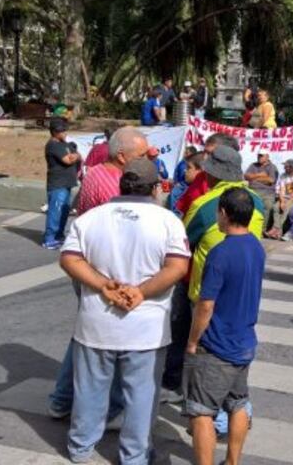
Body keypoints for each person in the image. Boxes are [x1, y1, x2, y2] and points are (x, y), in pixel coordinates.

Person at [59, 158, 190, 465]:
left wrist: (105, 286)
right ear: (156, 188)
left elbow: (69, 259)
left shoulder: (91, 218)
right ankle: (134, 456)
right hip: (146, 328)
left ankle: (80, 447)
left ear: (121, 184)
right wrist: (140, 291)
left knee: (90, 388)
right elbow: (178, 267)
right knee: (142, 396)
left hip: (96, 323)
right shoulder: (167, 221)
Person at [174, 146, 264, 423]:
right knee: (238, 390)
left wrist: (191, 341)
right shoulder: (256, 202)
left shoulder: (205, 206)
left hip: (206, 293)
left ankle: (211, 421)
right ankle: (234, 421)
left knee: (208, 366)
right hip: (245, 295)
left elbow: (182, 243)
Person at [184, 187, 265, 465]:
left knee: (201, 411)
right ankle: (232, 461)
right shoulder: (256, 246)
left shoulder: (220, 253)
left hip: (217, 344)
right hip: (244, 340)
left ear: (224, 213)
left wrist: (193, 341)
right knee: (238, 403)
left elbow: (206, 305)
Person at [77, 127, 149, 214]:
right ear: (121, 157)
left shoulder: (94, 171)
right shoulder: (116, 187)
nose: (146, 159)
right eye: (142, 155)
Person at [174, 133, 241, 217]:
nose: (204, 158)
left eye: (211, 154)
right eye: (204, 152)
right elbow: (183, 210)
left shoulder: (237, 190)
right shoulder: (200, 177)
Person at [43, 118, 81, 250]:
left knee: (64, 210)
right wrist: (73, 156)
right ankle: (49, 238)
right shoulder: (53, 145)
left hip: (67, 182)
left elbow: (77, 156)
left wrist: (74, 155)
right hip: (57, 183)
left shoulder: (65, 144)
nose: (65, 133)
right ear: (54, 132)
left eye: (65, 130)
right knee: (56, 211)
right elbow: (67, 160)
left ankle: (59, 235)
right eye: (62, 131)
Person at [268, 159, 293, 238]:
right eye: (285, 166)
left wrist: (288, 202)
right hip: (285, 197)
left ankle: (277, 229)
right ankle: (276, 229)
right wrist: (282, 201)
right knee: (276, 207)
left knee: (287, 208)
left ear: (292, 168)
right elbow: (281, 189)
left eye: (287, 167)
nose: (285, 168)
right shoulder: (283, 175)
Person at [244, 152, 277, 230]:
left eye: (261, 156)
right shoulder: (253, 165)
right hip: (252, 190)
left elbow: (271, 180)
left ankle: (262, 229)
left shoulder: (272, 167)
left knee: (267, 205)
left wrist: (253, 178)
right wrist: (260, 175)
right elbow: (246, 176)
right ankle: (247, 227)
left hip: (267, 192)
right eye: (258, 155)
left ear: (267, 157)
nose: (259, 157)